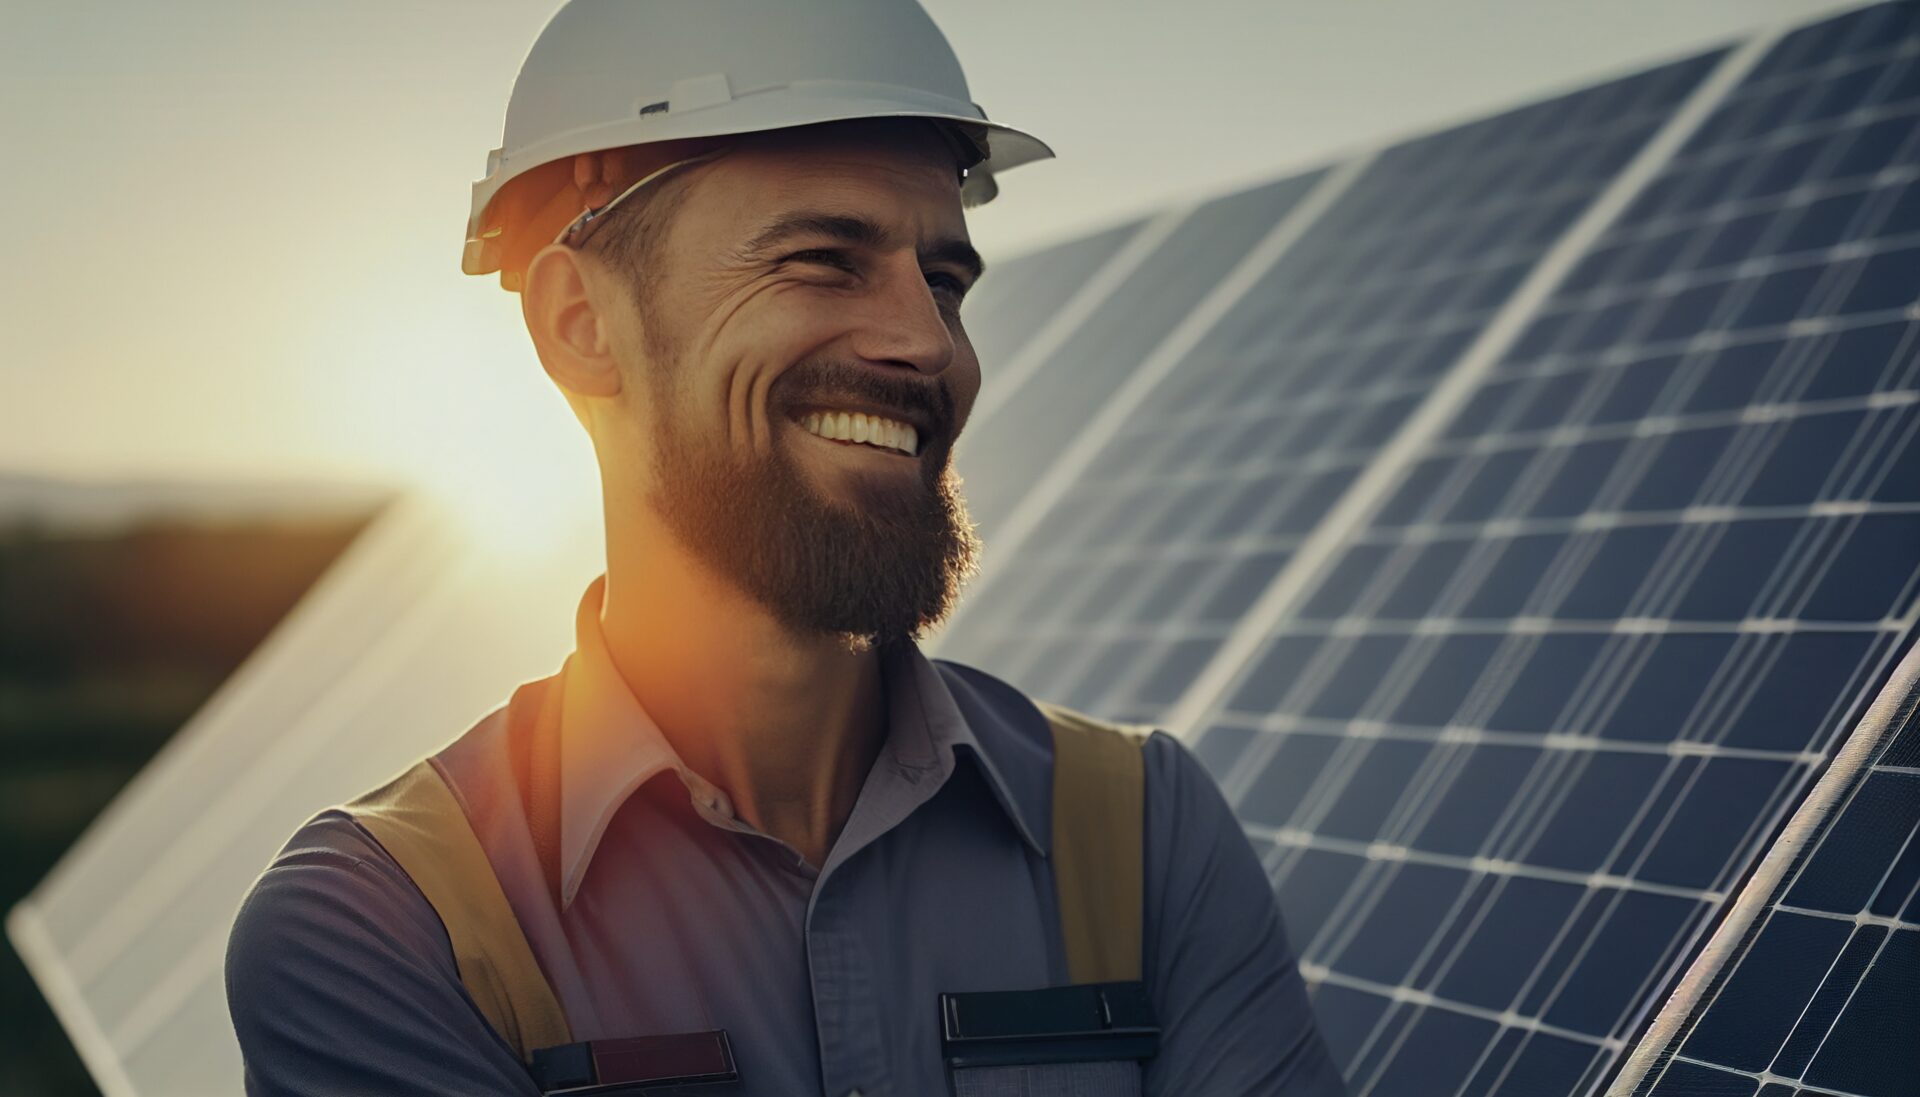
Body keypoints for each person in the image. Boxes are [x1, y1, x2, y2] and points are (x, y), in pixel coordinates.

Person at [224, 2, 1346, 1094]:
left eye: (945, 282)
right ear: (582, 325)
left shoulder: (1142, 828)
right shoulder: (388, 919)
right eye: (822, 259)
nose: (926, 343)